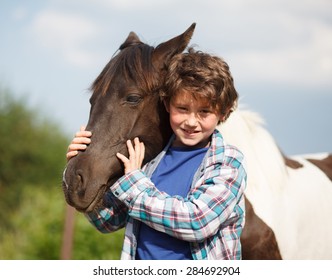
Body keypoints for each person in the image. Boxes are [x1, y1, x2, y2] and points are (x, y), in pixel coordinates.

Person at [66, 48, 247, 260]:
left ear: (223, 113)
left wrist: (135, 186)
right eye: (182, 108)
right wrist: (78, 163)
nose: (191, 121)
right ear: (167, 105)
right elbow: (108, 221)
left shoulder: (228, 163)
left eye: (204, 112)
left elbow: (197, 222)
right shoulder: (149, 161)